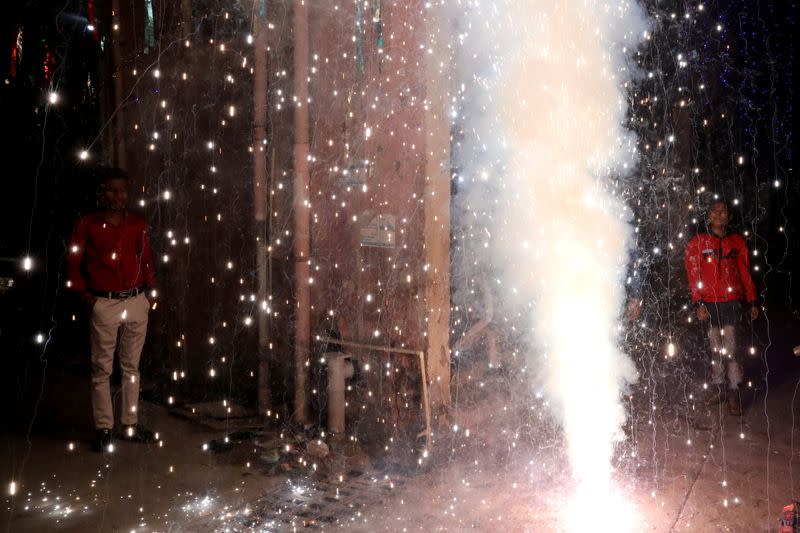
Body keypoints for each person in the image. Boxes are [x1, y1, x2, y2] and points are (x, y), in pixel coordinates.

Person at [66, 168, 158, 451]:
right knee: (102, 368)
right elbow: (74, 261)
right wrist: (85, 296)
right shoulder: (87, 224)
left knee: (131, 367)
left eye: (122, 190)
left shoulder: (137, 224)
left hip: (136, 301)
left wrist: (150, 294)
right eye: (111, 190)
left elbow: (146, 260)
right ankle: (104, 428)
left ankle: (129, 425)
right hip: (103, 303)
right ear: (101, 193)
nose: (118, 196)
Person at [684, 200, 758, 416]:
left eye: (723, 210)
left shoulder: (737, 242)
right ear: (708, 216)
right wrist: (698, 302)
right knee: (715, 349)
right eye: (714, 211)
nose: (718, 214)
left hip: (732, 302)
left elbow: (745, 272)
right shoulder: (698, 242)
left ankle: (734, 393)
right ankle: (719, 390)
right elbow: (693, 273)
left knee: (732, 350)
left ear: (729, 217)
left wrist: (752, 300)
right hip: (709, 304)